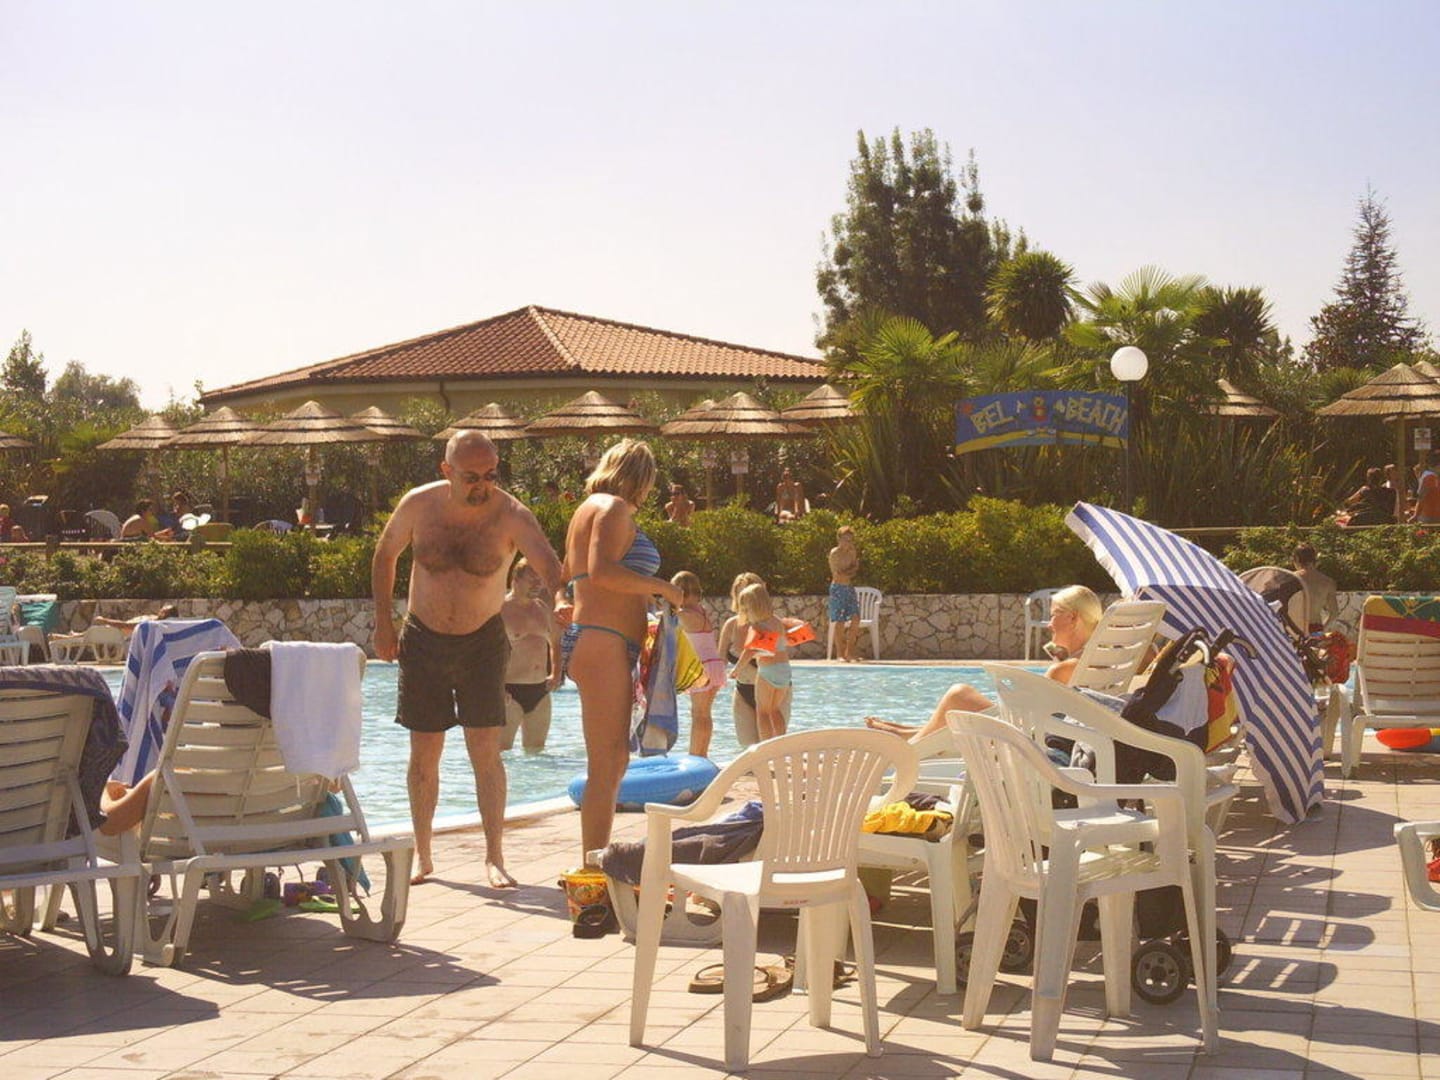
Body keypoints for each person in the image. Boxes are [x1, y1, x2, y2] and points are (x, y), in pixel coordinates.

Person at [371, 430, 564, 888]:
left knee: (486, 750)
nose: (483, 486)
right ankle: (423, 854)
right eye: (471, 477)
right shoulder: (419, 505)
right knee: (424, 752)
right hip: (423, 639)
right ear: (447, 471)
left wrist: (560, 599)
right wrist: (383, 622)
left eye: (491, 475)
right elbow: (385, 554)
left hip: (482, 642)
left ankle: (494, 856)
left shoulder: (511, 514)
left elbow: (549, 563)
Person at [560, 439, 684, 858]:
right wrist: (663, 587)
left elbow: (567, 575)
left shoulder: (587, 509)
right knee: (606, 763)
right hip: (603, 641)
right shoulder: (612, 508)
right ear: (640, 477)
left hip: (598, 639)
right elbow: (601, 572)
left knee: (613, 761)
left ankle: (597, 860)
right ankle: (593, 866)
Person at [865, 585, 1107, 742]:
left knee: (959, 695)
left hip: (1022, 743)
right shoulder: (1097, 662)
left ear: (1072, 617)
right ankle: (914, 733)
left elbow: (1031, 724)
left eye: (1054, 615)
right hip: (1042, 735)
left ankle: (908, 749)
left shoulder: (1063, 670)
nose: (1049, 624)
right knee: (959, 707)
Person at [500, 557, 561, 753]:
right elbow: (484, 652)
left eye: (540, 579)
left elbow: (555, 642)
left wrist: (556, 673)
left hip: (540, 690)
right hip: (509, 692)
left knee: (537, 754)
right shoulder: (500, 609)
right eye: (532, 579)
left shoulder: (541, 608)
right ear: (515, 579)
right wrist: (496, 687)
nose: (537, 584)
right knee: (502, 752)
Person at [671, 571, 725, 758]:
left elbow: (662, 616)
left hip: (703, 669)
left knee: (699, 714)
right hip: (714, 665)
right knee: (704, 713)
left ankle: (696, 755)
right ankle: (701, 754)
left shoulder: (684, 614)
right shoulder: (700, 610)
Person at [732, 581, 792, 742]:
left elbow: (749, 651)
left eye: (746, 609)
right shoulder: (777, 621)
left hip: (768, 670)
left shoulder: (757, 627)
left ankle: (766, 746)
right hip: (784, 670)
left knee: (763, 711)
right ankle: (780, 743)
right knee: (775, 709)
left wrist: (737, 669)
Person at [717, 571, 772, 747]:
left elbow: (779, 660)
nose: (744, 598)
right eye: (739, 592)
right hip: (743, 690)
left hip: (772, 693)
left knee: (772, 747)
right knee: (748, 748)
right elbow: (720, 661)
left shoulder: (772, 624)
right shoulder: (731, 625)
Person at [827, 525, 861, 662]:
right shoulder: (834, 553)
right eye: (845, 539)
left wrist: (850, 571)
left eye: (850, 540)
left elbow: (854, 570)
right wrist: (850, 571)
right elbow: (838, 574)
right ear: (839, 539)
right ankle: (839, 654)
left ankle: (849, 652)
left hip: (849, 587)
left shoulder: (852, 552)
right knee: (839, 621)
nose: (848, 542)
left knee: (856, 618)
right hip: (837, 588)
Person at [1292, 544, 1338, 632]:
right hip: (1316, 628)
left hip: (1294, 628)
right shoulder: (1328, 582)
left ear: (1297, 559)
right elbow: (1334, 613)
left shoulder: (1290, 579)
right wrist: (1321, 630)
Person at [1410, 453, 1440, 524]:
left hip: (1430, 515)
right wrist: (1416, 515)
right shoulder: (1430, 477)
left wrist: (1415, 515)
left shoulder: (1431, 477)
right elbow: (1422, 498)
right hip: (1430, 515)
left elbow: (1421, 498)